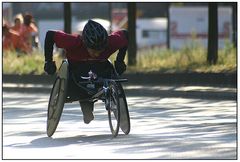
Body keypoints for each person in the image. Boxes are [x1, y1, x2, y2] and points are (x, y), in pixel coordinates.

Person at [44, 19, 128, 124]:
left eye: (100, 50)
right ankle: (87, 109)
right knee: (80, 88)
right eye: (94, 51)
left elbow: (125, 34)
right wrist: (48, 61)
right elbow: (50, 35)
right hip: (76, 76)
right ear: (85, 43)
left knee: (102, 73)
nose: (97, 54)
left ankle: (87, 108)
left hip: (100, 72)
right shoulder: (74, 42)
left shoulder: (110, 43)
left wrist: (120, 61)